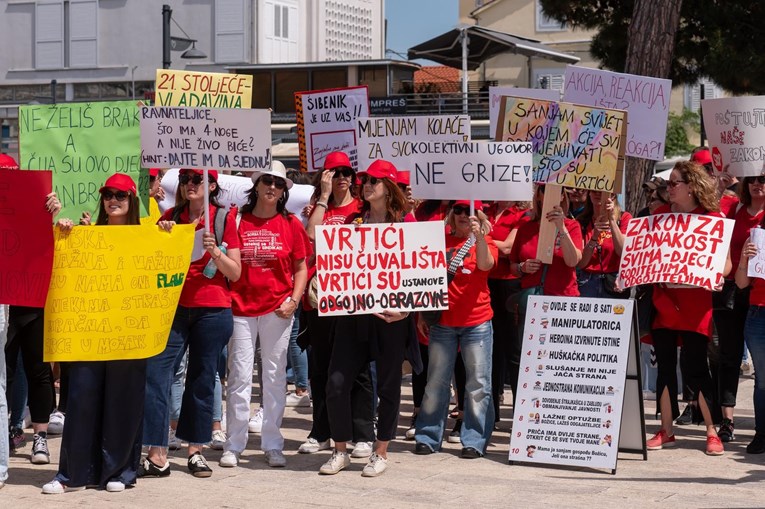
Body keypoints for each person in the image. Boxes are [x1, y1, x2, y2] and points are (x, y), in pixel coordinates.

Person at [41, 174, 146, 494]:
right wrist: (63, 232)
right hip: (90, 330)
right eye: (108, 195)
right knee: (81, 397)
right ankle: (72, 474)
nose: (113, 200)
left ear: (132, 201)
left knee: (122, 401)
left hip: (128, 332)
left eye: (120, 195)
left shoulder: (147, 236)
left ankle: (118, 472)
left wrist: (168, 235)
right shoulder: (87, 235)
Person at [140, 168, 241, 478]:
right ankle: (157, 452)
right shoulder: (170, 215)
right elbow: (152, 259)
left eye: (197, 180)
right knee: (155, 372)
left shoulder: (223, 219)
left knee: (201, 377)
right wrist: (164, 236)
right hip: (173, 307)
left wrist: (214, 251)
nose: (189, 185)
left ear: (212, 185)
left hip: (212, 309)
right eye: (185, 180)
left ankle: (195, 449)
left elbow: (235, 273)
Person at [320, 159, 414, 477]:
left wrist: (406, 309)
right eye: (365, 179)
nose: (367, 184)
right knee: (336, 383)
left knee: (388, 386)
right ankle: (341, 449)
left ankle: (381, 451)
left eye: (374, 179)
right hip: (354, 314)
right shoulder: (352, 222)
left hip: (390, 317)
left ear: (389, 187)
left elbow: (421, 273)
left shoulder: (404, 225)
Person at [221, 162, 309, 469]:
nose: (272, 187)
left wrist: (294, 300)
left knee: (273, 378)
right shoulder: (236, 219)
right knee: (240, 377)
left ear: (284, 190)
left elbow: (301, 267)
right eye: (267, 181)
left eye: (278, 183)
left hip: (278, 309)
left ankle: (272, 443)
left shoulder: (292, 224)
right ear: (256, 185)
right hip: (240, 308)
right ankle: (234, 443)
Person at [646, 160, 731, 456]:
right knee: (665, 368)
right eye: (668, 184)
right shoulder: (658, 216)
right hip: (664, 302)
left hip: (696, 304)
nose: (668, 189)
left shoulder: (711, 217)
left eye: (674, 183)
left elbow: (727, 264)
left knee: (697, 367)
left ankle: (711, 431)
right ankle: (666, 430)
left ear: (691, 187)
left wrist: (718, 276)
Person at [300, 151, 374, 457]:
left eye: (346, 172)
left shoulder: (362, 208)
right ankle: (322, 432)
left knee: (357, 370)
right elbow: (310, 235)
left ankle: (362, 434)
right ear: (325, 177)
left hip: (354, 298)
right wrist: (324, 197)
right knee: (320, 369)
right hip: (321, 300)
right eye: (335, 172)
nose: (341, 177)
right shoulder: (320, 208)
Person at [414, 200, 498, 459]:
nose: (463, 216)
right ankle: (428, 436)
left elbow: (486, 265)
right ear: (451, 215)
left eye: (469, 211)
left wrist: (479, 237)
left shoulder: (487, 241)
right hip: (443, 323)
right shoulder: (439, 240)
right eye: (459, 210)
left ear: (479, 216)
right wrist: (421, 313)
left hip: (477, 321)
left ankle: (474, 440)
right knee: (435, 383)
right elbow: (424, 277)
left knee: (478, 384)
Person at [4, 154, 62, 467]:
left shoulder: (34, 202)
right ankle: (7, 431)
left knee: (38, 368)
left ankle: (39, 434)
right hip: (3, 303)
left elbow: (42, 244)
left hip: (29, 294)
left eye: (11, 173)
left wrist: (50, 216)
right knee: (5, 372)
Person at [714, 175, 765, 442]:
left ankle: (761, 427)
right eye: (753, 179)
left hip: (759, 294)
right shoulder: (733, 210)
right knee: (729, 356)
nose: (758, 184)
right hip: (734, 288)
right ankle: (727, 420)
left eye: (764, 179)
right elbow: (708, 211)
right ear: (745, 184)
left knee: (761, 368)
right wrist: (721, 184)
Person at [486, 201, 531, 416]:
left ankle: (519, 411)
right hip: (485, 282)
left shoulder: (522, 214)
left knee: (515, 350)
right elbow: (500, 246)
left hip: (510, 283)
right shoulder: (485, 210)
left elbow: (508, 247)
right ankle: (490, 411)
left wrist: (478, 241)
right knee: (490, 350)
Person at [509, 185, 583, 301]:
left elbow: (573, 261)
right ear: (538, 196)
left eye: (558, 190)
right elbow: (513, 266)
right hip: (533, 299)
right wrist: (522, 267)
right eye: (545, 189)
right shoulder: (525, 227)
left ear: (562, 196)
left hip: (563, 299)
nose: (550, 193)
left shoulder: (572, 226)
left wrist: (561, 227)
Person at [734, 219, 765, 454]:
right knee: (762, 379)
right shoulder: (756, 239)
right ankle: (761, 433)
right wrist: (744, 257)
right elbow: (741, 283)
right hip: (758, 315)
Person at [576, 191, 631, 298]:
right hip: (587, 282)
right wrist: (594, 237)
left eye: (603, 192)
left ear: (613, 195)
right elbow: (581, 263)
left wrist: (611, 219)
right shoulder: (582, 221)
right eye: (594, 191)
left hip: (614, 282)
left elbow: (622, 251)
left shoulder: (624, 218)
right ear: (589, 194)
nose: (598, 194)